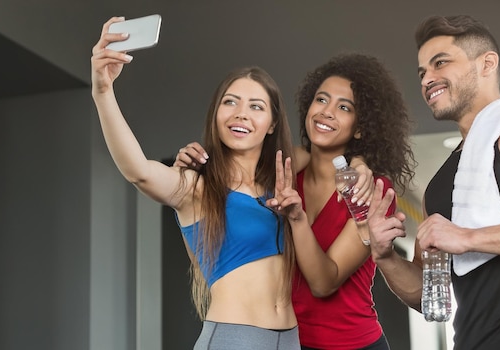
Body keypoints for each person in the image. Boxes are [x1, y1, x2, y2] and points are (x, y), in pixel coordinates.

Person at [367, 14, 500, 349]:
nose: (427, 79)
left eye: (440, 63)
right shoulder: (440, 187)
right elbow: (428, 295)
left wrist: (468, 237)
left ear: (487, 64)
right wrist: (385, 257)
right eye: (422, 72)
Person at [176, 53, 416, 350]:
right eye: (321, 100)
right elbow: (238, 159)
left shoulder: (370, 189)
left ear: (360, 127)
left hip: (352, 344)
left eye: (344, 107)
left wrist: (361, 165)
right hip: (287, 342)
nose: (327, 112)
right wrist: (193, 163)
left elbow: (324, 282)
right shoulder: (282, 176)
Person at [91, 17, 301, 350]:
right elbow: (139, 171)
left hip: (290, 339)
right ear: (215, 114)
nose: (241, 114)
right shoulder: (196, 187)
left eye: (256, 106)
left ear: (272, 122)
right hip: (234, 339)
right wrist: (103, 92)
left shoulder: (282, 187)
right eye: (229, 102)